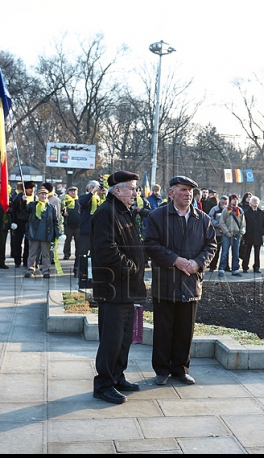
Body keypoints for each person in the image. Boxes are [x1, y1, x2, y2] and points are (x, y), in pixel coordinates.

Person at [144, 175, 216, 386]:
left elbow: (211, 245)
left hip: (191, 283)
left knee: (185, 330)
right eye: (183, 190)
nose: (188, 194)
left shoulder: (202, 218)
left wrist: (198, 263)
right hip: (166, 281)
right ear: (171, 193)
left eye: (190, 190)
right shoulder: (158, 216)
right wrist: (174, 260)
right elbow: (150, 244)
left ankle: (180, 369)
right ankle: (162, 370)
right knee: (164, 329)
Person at [90, 171, 147, 405]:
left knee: (123, 338)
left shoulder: (122, 211)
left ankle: (117, 376)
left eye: (136, 189)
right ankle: (103, 384)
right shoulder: (106, 213)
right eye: (132, 188)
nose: (136, 193)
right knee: (111, 340)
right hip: (113, 287)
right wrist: (132, 267)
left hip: (126, 288)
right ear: (117, 190)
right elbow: (106, 249)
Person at [24, 186, 60, 279]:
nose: (43, 196)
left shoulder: (52, 207)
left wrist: (57, 233)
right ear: (38, 195)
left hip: (46, 234)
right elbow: (25, 210)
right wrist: (24, 201)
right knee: (32, 253)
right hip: (34, 233)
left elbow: (55, 221)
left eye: (45, 194)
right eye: (41, 194)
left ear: (47, 196)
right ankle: (30, 270)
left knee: (46, 254)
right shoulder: (32, 205)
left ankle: (46, 271)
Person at [77, 179, 105, 286]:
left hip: (96, 230)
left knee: (95, 253)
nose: (98, 189)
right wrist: (92, 193)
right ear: (90, 188)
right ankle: (80, 272)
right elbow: (83, 203)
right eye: (96, 187)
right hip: (85, 230)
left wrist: (104, 194)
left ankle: (93, 273)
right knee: (82, 253)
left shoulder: (99, 199)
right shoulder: (85, 197)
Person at [217, 193, 245, 277]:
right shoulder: (226, 210)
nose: (235, 200)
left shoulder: (240, 210)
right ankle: (222, 268)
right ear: (230, 200)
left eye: (236, 199)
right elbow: (222, 222)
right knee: (225, 251)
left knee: (236, 252)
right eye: (233, 199)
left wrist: (242, 231)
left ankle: (235, 269)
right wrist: (226, 232)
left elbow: (243, 223)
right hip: (227, 234)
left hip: (236, 234)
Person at [10, 181, 35, 268]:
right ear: (26, 189)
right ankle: (17, 261)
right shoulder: (19, 196)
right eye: (30, 188)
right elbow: (13, 209)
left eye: (33, 188)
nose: (32, 190)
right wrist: (13, 221)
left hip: (30, 223)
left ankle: (26, 261)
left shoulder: (34, 198)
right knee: (17, 242)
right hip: (19, 222)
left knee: (28, 243)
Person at [241, 195, 264, 273]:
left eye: (256, 201)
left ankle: (256, 267)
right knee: (247, 252)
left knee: (257, 253)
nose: (255, 202)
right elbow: (243, 223)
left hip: (258, 235)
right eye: (253, 201)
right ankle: (245, 267)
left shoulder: (262, 212)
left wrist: (262, 231)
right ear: (250, 203)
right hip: (249, 234)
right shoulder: (246, 212)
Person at [207, 195, 228, 273]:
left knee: (225, 251)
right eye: (222, 202)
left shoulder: (229, 210)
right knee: (216, 250)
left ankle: (225, 266)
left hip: (226, 233)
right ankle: (213, 266)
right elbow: (210, 217)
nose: (223, 204)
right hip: (217, 232)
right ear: (220, 201)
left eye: (225, 203)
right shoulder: (214, 209)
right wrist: (216, 224)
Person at [61, 186, 80, 262]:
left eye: (75, 191)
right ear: (68, 192)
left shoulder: (79, 201)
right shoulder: (65, 200)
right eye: (71, 191)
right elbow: (61, 210)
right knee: (67, 240)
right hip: (68, 224)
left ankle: (78, 254)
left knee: (78, 241)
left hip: (78, 225)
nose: (73, 192)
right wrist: (63, 212)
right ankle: (66, 254)